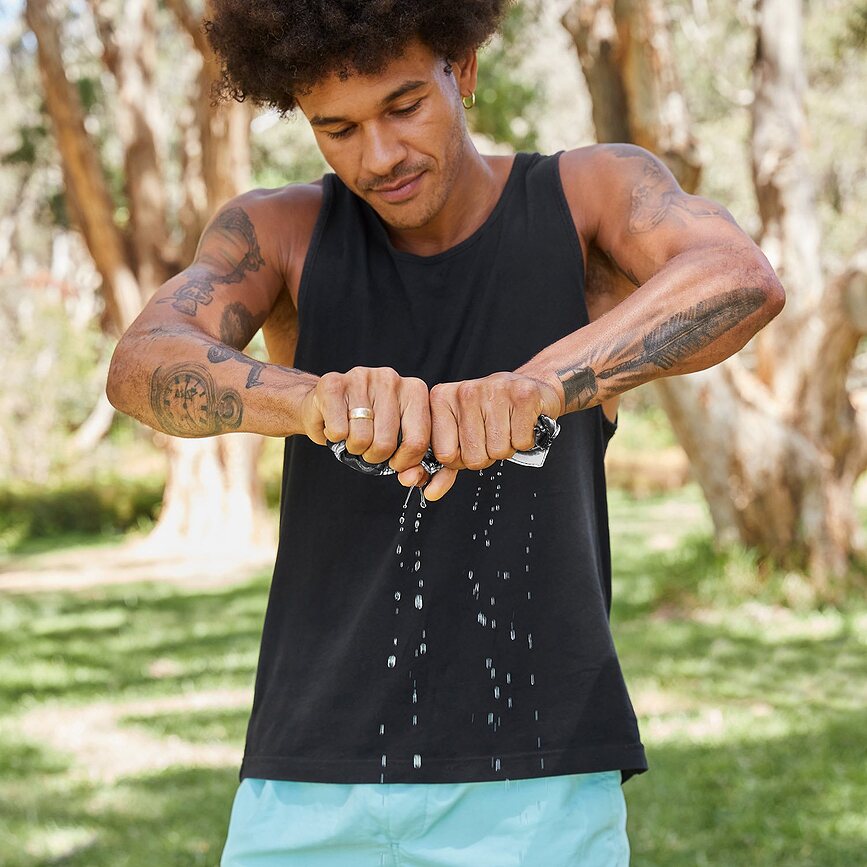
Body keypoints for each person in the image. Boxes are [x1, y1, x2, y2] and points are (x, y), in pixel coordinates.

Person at [105, 1, 785, 864]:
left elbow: (738, 276)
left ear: (461, 69)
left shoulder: (588, 195)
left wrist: (540, 386)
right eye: (337, 128)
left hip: (537, 784)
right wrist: (315, 402)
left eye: (403, 107)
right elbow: (142, 361)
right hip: (307, 778)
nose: (378, 156)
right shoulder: (278, 231)